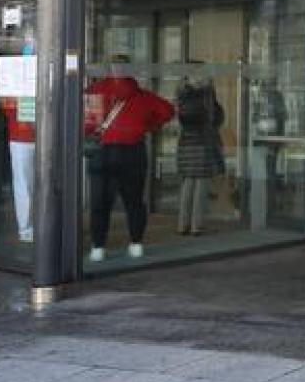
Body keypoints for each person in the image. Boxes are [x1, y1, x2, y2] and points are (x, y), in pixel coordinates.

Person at [83, 56, 174, 262]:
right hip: (133, 152)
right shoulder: (143, 96)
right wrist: (148, 126)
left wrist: (92, 131)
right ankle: (135, 244)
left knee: (100, 202)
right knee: (133, 202)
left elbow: (86, 123)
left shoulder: (95, 92)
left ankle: (98, 247)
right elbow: (168, 111)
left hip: (103, 153)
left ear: (110, 69)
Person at [175, 64, 225, 235]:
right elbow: (213, 116)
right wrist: (210, 88)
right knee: (201, 184)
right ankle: (198, 225)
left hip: (186, 143)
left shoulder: (181, 92)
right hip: (203, 142)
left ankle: (183, 224)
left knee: (188, 182)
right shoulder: (205, 92)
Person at [0, 95, 35, 242]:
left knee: (31, 184)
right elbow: (7, 107)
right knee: (24, 184)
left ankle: (31, 226)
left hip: (32, 136)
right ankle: (26, 228)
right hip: (21, 138)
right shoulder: (14, 86)